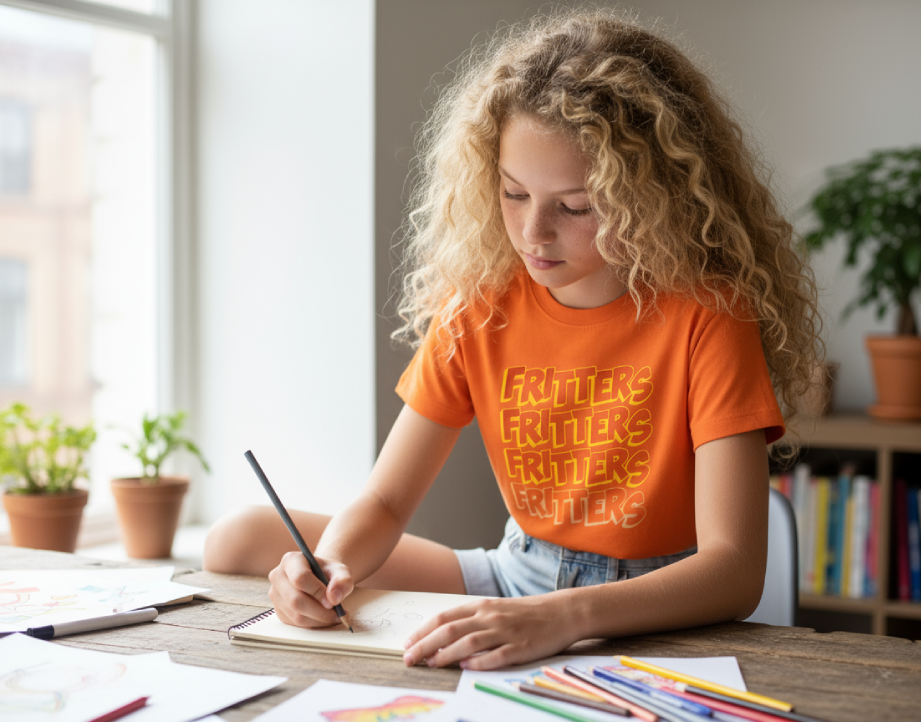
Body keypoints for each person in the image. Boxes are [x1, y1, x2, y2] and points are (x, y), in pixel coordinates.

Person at [203, 8, 822, 671]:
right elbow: (384, 502)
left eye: (576, 206)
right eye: (513, 193)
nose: (534, 232)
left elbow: (732, 571)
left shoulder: (708, 314)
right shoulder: (479, 306)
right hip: (516, 577)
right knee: (241, 541)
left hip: (650, 606)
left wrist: (562, 617)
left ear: (650, 196)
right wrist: (327, 572)